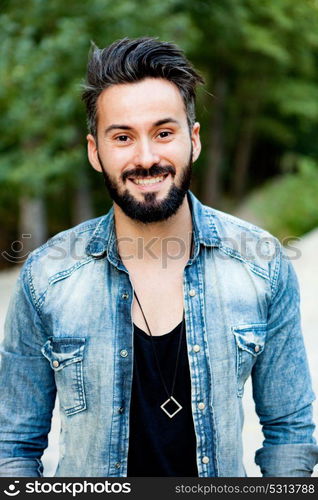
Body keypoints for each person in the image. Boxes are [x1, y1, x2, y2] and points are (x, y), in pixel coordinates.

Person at [0, 37, 317, 478]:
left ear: (194, 139)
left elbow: (290, 435)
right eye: (123, 137)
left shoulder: (262, 265)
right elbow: (11, 445)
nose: (146, 158)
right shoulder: (46, 277)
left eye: (164, 133)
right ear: (96, 151)